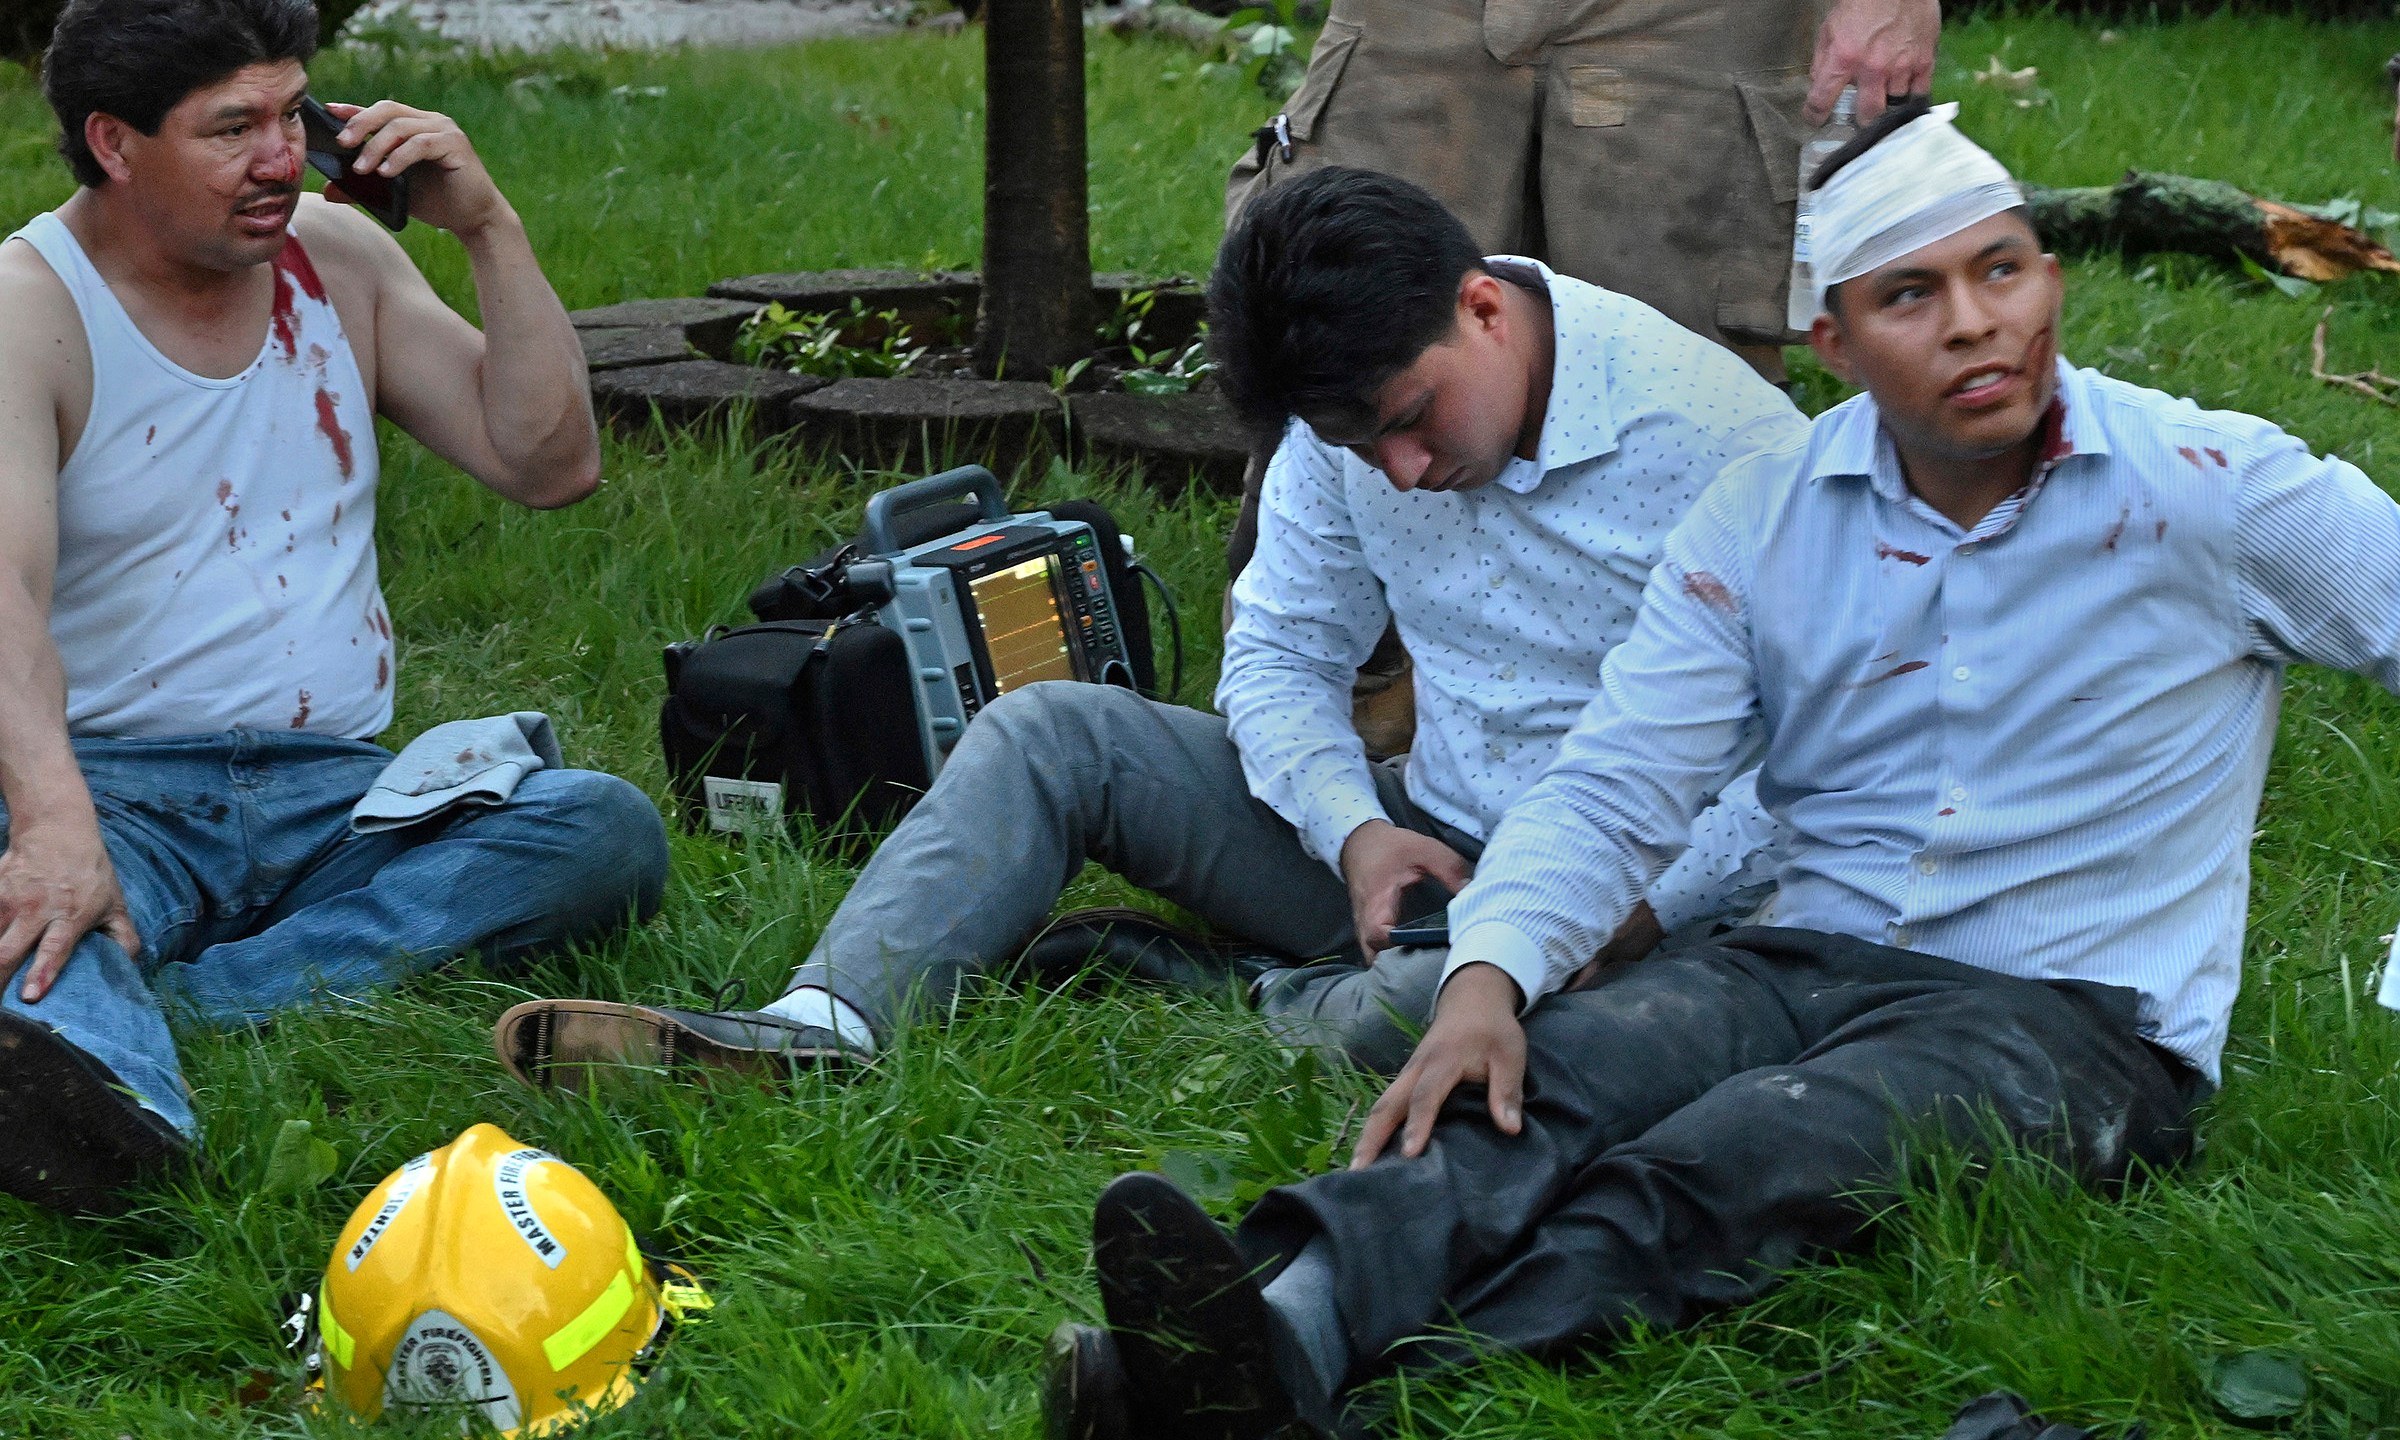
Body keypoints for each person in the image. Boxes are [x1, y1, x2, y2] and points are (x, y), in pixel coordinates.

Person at [1045, 100, 2393, 1439]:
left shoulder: (2215, 490)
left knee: (1733, 1159)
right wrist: (1488, 976)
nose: (1975, 322)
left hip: (2071, 1016)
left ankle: (1349, 1408)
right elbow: (1620, 781)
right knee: (1533, 1083)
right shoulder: (1765, 521)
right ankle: (1273, 1330)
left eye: (2001, 269)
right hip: (1797, 954)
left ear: (2049, 278)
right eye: (1911, 295)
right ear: (1838, 341)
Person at [489, 168, 1802, 1092]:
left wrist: (1621, 909)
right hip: (1435, 845)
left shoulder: (1724, 445)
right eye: (1360, 443)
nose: (1396, 469)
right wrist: (1355, 828)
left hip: (1642, 908)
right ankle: (814, 1030)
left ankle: (1251, 994)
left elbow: (1821, 755)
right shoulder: (1342, 437)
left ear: (1482, 308)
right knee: (1056, 734)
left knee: (1437, 1007)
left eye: (1412, 419)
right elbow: (1280, 662)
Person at [0, 0, 669, 1216]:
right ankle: (125, 1120)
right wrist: (54, 827)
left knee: (601, 830)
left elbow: (550, 465)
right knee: (22, 903)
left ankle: (168, 1011)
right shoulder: (27, 307)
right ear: (112, 141)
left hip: (334, 793)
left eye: (292, 113)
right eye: (232, 127)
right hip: (116, 790)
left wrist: (487, 226)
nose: (280, 156)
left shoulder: (340, 259)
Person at [1217, 0, 1944, 591]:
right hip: (1419, 23)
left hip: (1694, 26)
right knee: (1331, 343)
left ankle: (1678, 723)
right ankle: (1335, 720)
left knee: (1683, 399)